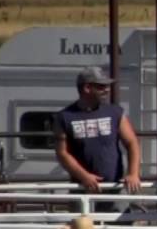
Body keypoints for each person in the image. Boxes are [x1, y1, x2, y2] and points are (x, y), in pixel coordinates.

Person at [54, 66, 143, 194]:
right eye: (101, 86)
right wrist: (84, 176)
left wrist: (133, 173)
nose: (107, 89)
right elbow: (62, 153)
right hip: (81, 188)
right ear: (87, 88)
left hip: (114, 187)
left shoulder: (115, 112)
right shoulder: (64, 117)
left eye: (107, 86)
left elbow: (132, 142)